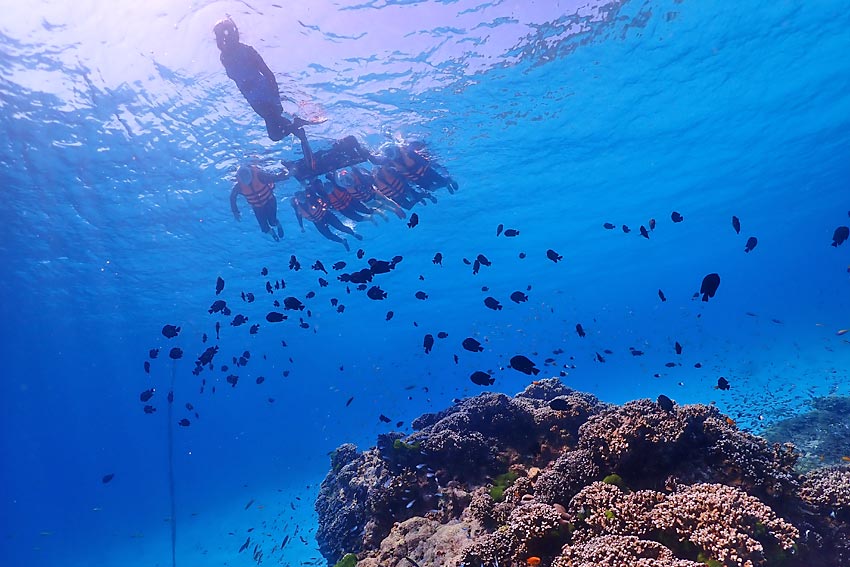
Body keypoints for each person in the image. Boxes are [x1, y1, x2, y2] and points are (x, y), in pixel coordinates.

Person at [213, 17, 316, 166]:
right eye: (220, 36)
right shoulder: (224, 58)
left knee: (274, 135)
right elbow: (239, 82)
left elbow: (268, 74)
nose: (223, 39)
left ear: (233, 34)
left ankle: (300, 130)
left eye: (225, 34)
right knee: (276, 131)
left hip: (264, 95)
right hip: (255, 100)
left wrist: (275, 97)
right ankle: (300, 131)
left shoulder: (247, 51)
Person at [291, 180, 364, 250]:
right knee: (328, 235)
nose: (301, 198)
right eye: (299, 197)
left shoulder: (311, 198)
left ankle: (353, 234)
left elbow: (312, 191)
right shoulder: (298, 208)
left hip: (326, 215)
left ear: (304, 195)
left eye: (302, 195)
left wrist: (309, 184)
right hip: (318, 222)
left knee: (341, 227)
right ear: (297, 199)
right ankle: (343, 241)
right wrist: (301, 227)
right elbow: (299, 217)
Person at [230, 164, 288, 241]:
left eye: (246, 175)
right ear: (239, 178)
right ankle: (272, 233)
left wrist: (285, 175)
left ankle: (278, 225)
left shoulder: (260, 176)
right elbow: (232, 198)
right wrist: (235, 211)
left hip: (269, 200)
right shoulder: (238, 187)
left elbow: (274, 178)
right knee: (264, 228)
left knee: (272, 221)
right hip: (257, 207)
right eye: (243, 177)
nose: (245, 178)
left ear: (250, 172)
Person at [372, 142, 458, 194]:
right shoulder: (390, 161)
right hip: (417, 179)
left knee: (442, 182)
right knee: (432, 189)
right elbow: (375, 161)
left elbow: (419, 144)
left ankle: (449, 181)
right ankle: (447, 183)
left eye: (391, 151)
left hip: (427, 172)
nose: (391, 155)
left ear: (395, 148)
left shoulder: (408, 152)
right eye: (388, 153)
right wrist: (366, 154)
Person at [331, 166, 405, 220]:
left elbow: (356, 171)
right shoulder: (342, 184)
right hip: (366, 199)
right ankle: (395, 210)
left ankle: (397, 209)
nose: (350, 183)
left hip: (372, 193)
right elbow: (336, 179)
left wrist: (335, 171)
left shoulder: (356, 177)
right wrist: (334, 172)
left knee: (385, 201)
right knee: (381, 205)